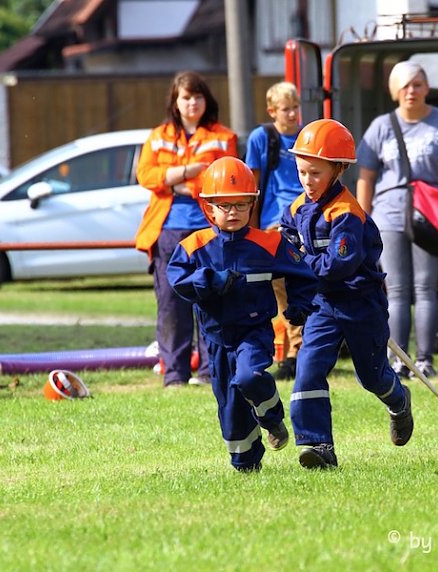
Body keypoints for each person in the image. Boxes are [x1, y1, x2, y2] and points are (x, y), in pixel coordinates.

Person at [167, 157, 317, 472]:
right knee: (230, 408)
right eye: (224, 205)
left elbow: (303, 272)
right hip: (216, 339)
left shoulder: (268, 243)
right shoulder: (195, 246)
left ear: (253, 203)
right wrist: (208, 282)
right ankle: (246, 463)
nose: (233, 212)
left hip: (254, 332)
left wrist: (300, 304)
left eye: (241, 204)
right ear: (208, 207)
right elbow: (176, 278)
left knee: (249, 377)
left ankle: (272, 418)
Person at [280, 119, 413, 469]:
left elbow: (337, 265)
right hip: (323, 305)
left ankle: (398, 401)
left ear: (338, 170)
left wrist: (302, 261)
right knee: (308, 370)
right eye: (302, 172)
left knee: (371, 376)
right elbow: (286, 250)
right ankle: (318, 445)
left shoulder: (347, 215)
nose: (307, 181)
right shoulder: (295, 210)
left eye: (315, 173)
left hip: (360, 303)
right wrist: (297, 297)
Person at [356, 61, 438, 378]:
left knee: (425, 289)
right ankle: (399, 361)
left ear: (426, 88)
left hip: (433, 215)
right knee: (395, 290)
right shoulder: (381, 126)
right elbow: (365, 176)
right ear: (395, 90)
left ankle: (424, 360)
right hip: (389, 214)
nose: (412, 91)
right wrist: (363, 220)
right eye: (405, 85)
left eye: (418, 84)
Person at [136, 71, 238, 388]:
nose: (192, 103)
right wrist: (189, 171)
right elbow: (145, 175)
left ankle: (210, 372)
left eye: (197, 96)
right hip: (166, 230)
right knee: (170, 303)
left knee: (211, 300)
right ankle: (175, 374)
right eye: (185, 97)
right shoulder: (158, 135)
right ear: (175, 102)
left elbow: (227, 180)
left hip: (210, 230)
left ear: (206, 100)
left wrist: (180, 183)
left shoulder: (224, 137)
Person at [245, 81, 304, 381]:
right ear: (272, 111)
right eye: (286, 109)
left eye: (296, 107)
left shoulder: (307, 136)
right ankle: (294, 350)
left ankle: (301, 350)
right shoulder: (262, 138)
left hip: (308, 217)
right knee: (282, 287)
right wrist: (250, 232)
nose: (293, 114)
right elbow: (253, 186)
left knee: (306, 284)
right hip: (274, 222)